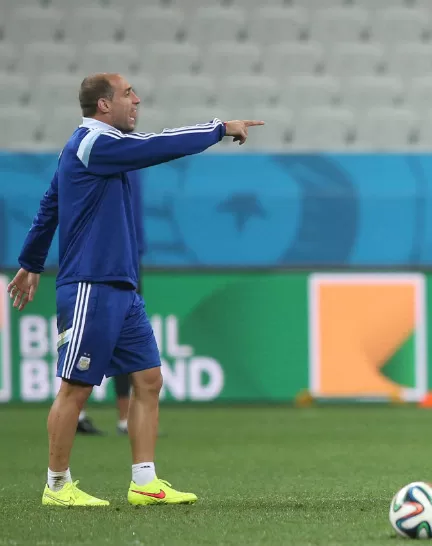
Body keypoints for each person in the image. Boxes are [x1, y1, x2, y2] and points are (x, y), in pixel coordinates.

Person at [7, 72, 262, 507]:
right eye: (128, 94)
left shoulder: (94, 148)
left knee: (148, 379)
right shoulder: (94, 143)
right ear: (104, 105)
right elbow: (155, 145)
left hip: (120, 285)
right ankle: (57, 487)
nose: (137, 99)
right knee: (76, 386)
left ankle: (144, 482)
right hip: (91, 283)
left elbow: (51, 203)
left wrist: (31, 261)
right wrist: (219, 127)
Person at [76, 168, 143, 437]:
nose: (133, 121)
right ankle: (75, 414)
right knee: (87, 342)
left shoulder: (135, 156)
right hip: (98, 267)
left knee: (126, 341)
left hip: (130, 262)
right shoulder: (95, 153)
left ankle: (126, 420)